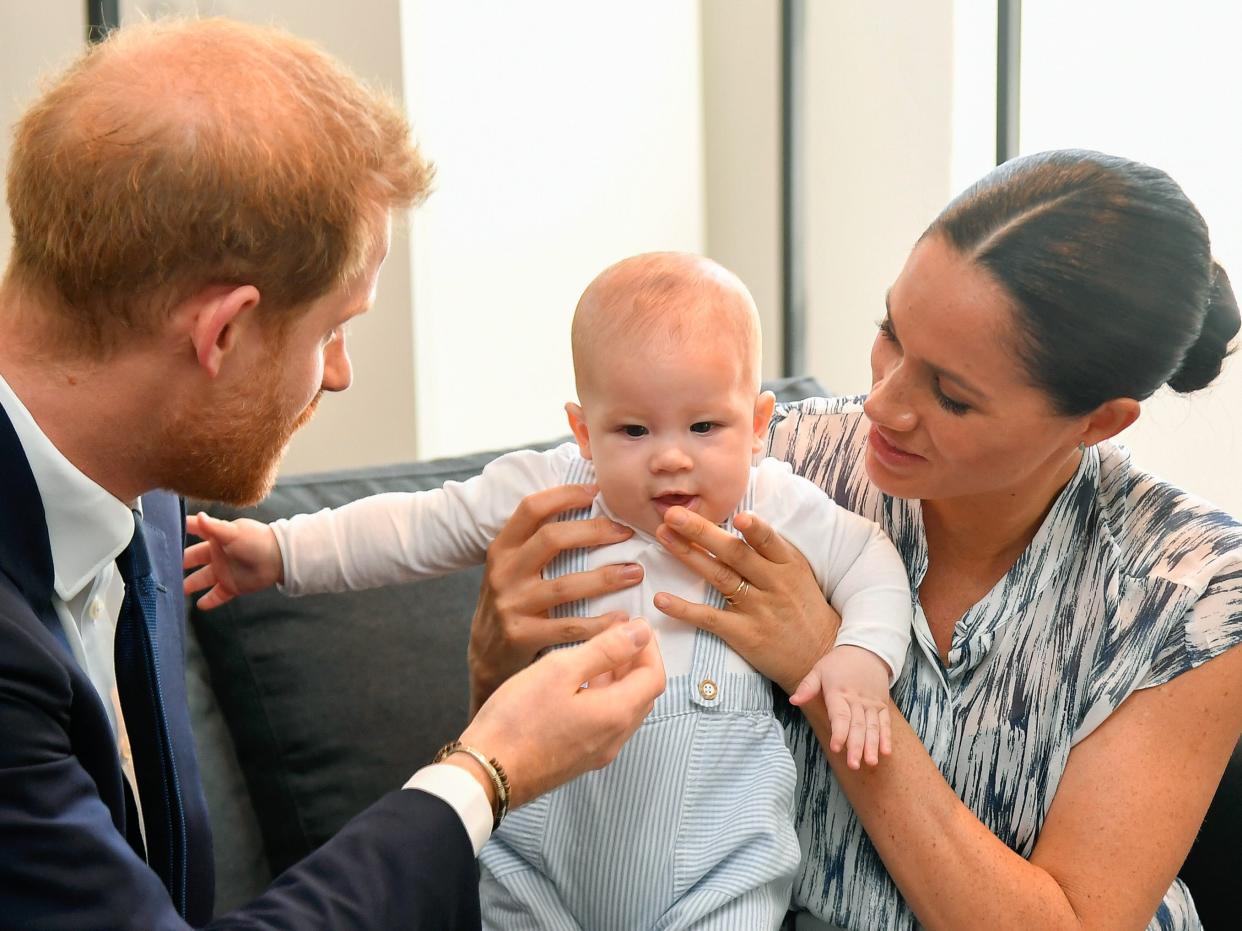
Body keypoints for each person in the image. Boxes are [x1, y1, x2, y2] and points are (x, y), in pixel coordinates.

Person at [0, 17, 664, 930]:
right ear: (222, 333)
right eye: (334, 329)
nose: (340, 373)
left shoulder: (146, 481)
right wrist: (486, 770)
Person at [469, 150, 1242, 930]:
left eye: (950, 394)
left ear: (1097, 420)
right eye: (890, 333)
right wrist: (495, 656)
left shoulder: (1191, 589)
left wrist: (822, 663)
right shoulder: (768, 463)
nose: (883, 403)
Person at [183, 251, 914, 930]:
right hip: (544, 867)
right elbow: (416, 526)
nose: (669, 458)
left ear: (756, 426)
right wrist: (280, 552)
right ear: (583, 432)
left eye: (703, 426)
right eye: (632, 429)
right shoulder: (553, 487)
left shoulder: (775, 503)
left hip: (717, 875)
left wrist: (859, 660)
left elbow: (871, 562)